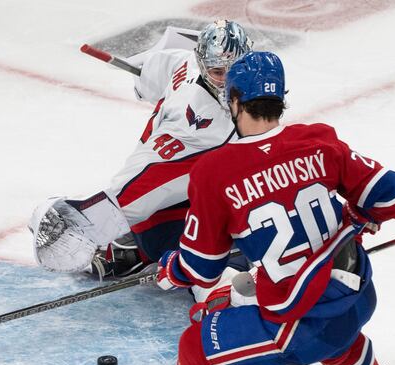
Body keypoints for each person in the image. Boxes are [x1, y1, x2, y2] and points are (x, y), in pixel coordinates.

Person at [129, 51, 395, 365]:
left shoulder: (214, 173)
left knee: (196, 345)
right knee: (330, 326)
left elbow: (202, 267)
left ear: (233, 100)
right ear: (281, 99)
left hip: (300, 323)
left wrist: (170, 268)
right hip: (357, 293)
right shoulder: (319, 140)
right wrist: (363, 216)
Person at [29, 20, 253, 286]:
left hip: (178, 199)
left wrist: (146, 79)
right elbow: (147, 177)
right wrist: (87, 222)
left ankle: (135, 243)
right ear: (204, 66)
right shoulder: (200, 124)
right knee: (252, 245)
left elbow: (148, 72)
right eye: (218, 71)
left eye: (235, 69)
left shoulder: (182, 61)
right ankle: (141, 246)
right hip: (162, 215)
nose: (228, 81)